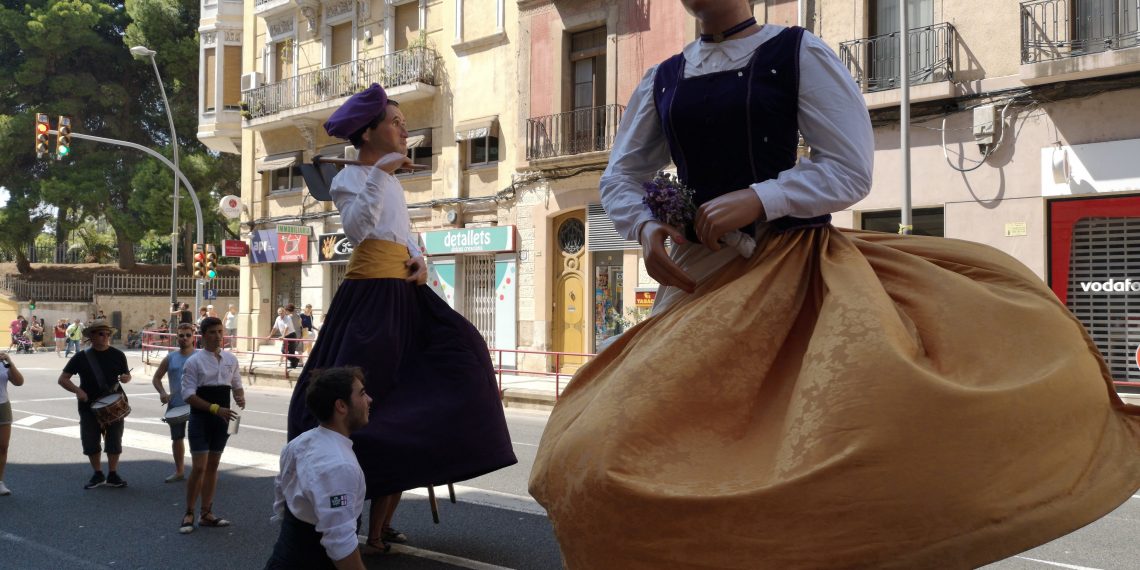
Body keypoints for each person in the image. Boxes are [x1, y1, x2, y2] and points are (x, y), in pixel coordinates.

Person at [528, 2, 1140, 569]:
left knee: (815, 446)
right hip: (696, 280)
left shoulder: (796, 53)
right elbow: (622, 175)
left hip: (793, 269)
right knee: (619, 446)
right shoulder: (662, 78)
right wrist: (645, 227)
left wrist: (761, 198)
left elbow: (849, 167)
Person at [286, 83, 517, 554]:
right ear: (369, 133)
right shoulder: (349, 178)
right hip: (371, 298)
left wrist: (420, 260)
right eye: (395, 122)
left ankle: (382, 521)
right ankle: (339, 512)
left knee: (464, 348)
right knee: (368, 393)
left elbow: (401, 234)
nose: (404, 129)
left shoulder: (390, 179)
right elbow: (358, 229)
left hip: (404, 293)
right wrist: (379, 173)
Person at [265, 367, 373, 569]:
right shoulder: (339, 465)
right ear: (341, 406)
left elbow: (281, 501)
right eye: (362, 393)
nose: (369, 399)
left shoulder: (298, 444)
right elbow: (341, 544)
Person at [178, 316, 245, 534]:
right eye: (213, 332)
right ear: (203, 336)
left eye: (220, 331)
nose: (218, 336)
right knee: (199, 467)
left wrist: (240, 396)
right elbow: (188, 395)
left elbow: (236, 384)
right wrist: (215, 409)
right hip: (201, 418)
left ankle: (206, 513)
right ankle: (189, 511)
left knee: (214, 466)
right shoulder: (194, 361)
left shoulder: (230, 359)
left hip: (223, 420)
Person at [57, 320, 132, 490]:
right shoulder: (81, 357)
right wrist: (77, 391)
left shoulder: (118, 355)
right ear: (91, 336)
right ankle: (97, 473)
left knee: (114, 440)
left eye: (108, 334)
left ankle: (113, 474)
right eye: (101, 333)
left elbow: (126, 376)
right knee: (90, 441)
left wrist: (127, 378)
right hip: (88, 405)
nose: (105, 337)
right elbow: (63, 379)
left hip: (114, 403)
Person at [152, 323, 197, 483]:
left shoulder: (200, 356)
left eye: (187, 335)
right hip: (176, 405)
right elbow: (156, 378)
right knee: (177, 439)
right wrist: (163, 393)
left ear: (193, 337)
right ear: (176, 337)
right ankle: (179, 471)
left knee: (197, 439)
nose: (184, 338)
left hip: (197, 406)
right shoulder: (170, 357)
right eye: (181, 335)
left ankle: (200, 471)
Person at [0, 350, 26, 496]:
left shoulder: (3, 363)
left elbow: (19, 382)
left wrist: (10, 363)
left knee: (3, 447)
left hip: (2, 405)